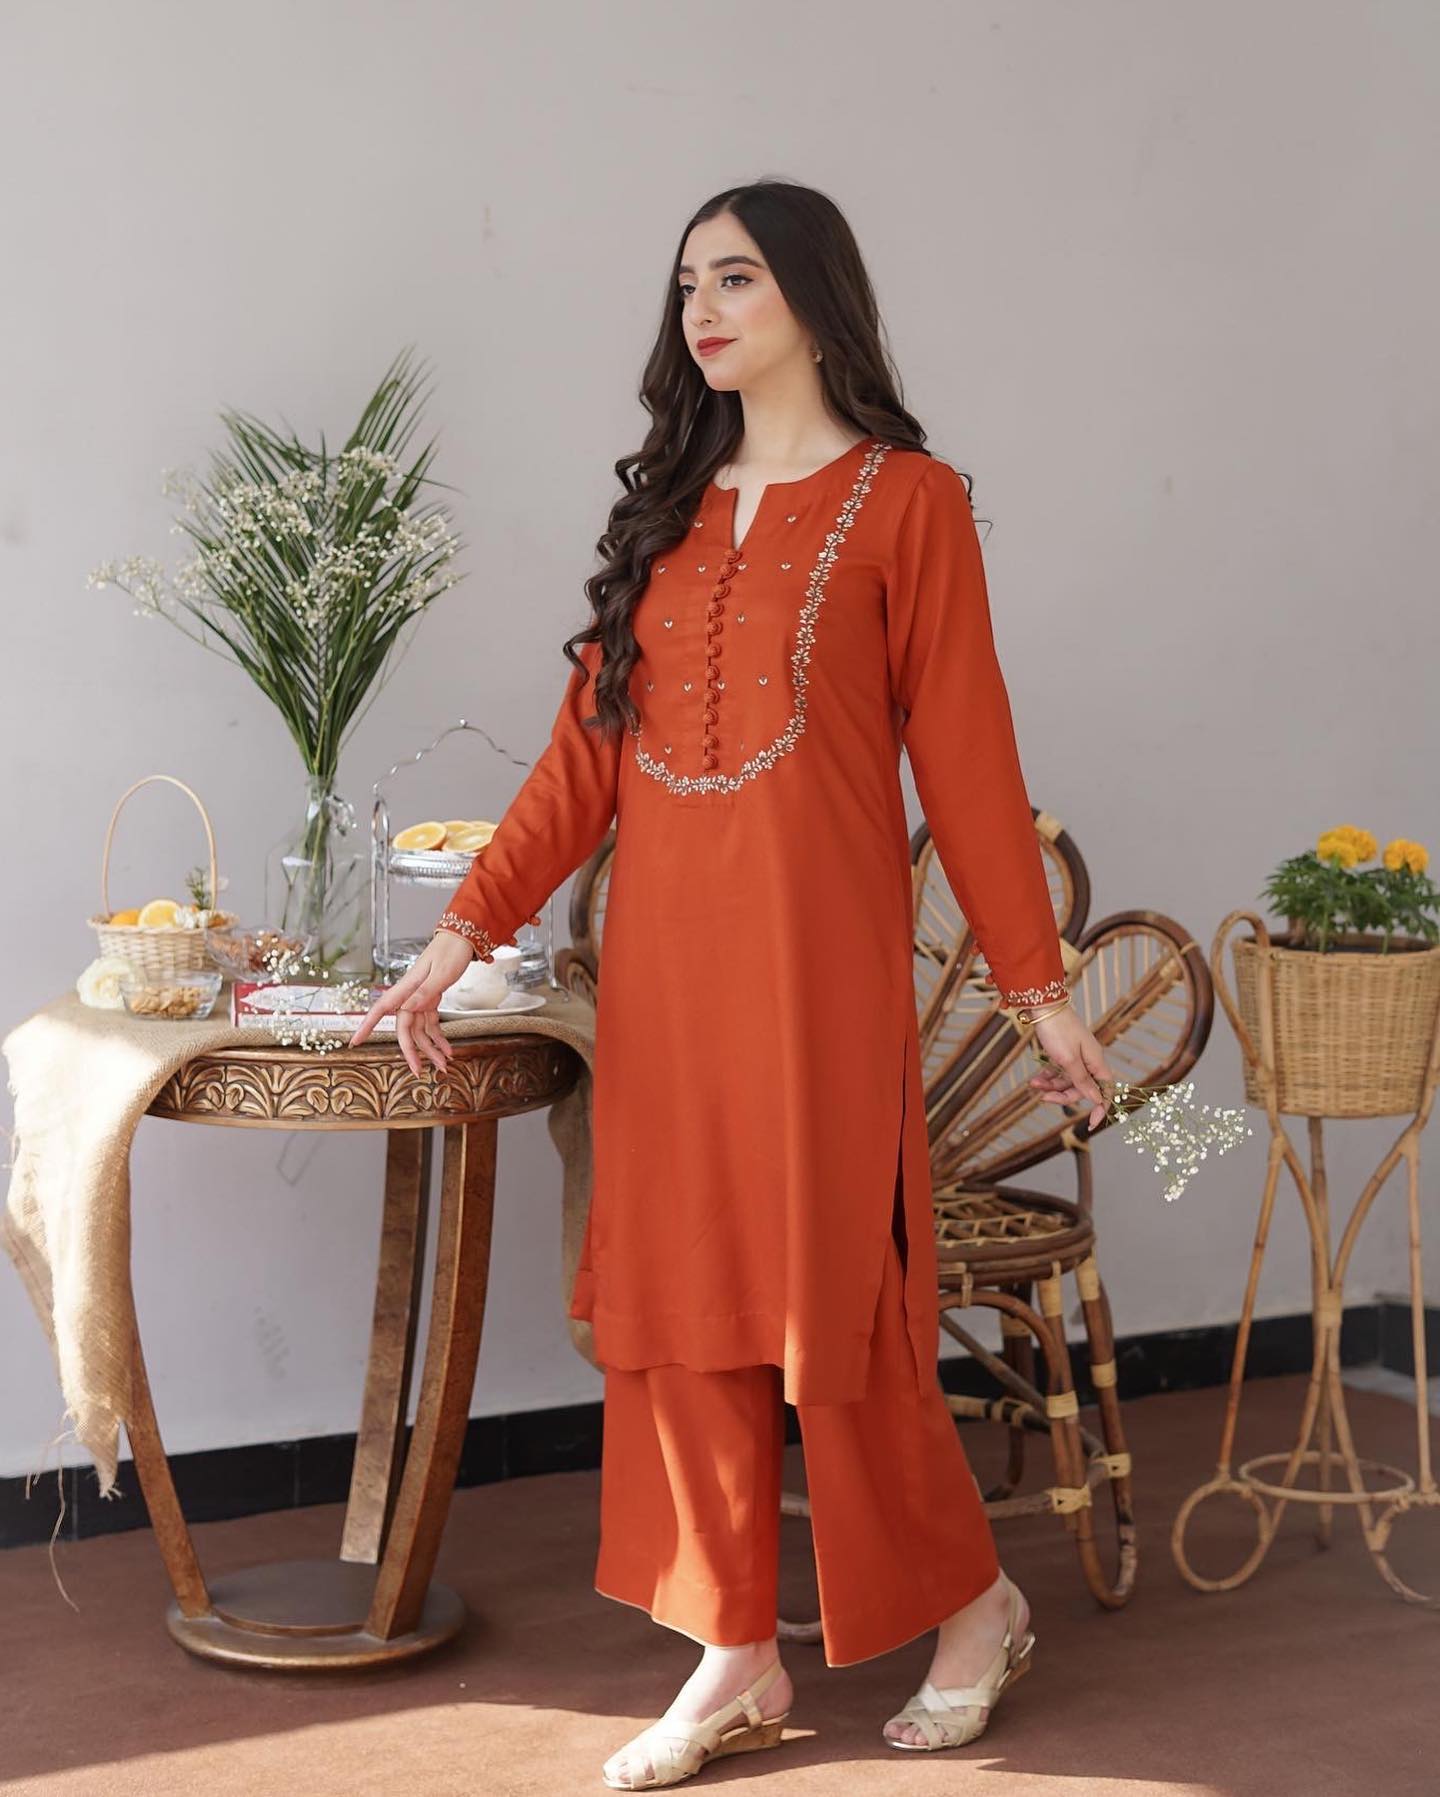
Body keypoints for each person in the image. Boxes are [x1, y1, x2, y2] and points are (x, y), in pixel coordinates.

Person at [350, 178, 1114, 1789]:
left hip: (819, 984)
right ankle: (734, 1647)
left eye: (738, 277)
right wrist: (457, 936)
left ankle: (974, 1608)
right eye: (688, 283)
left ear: (816, 298)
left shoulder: (910, 501)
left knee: (839, 1310)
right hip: (669, 984)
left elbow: (970, 762)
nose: (701, 308)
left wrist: (1040, 995)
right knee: (683, 1309)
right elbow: (582, 761)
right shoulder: (670, 518)